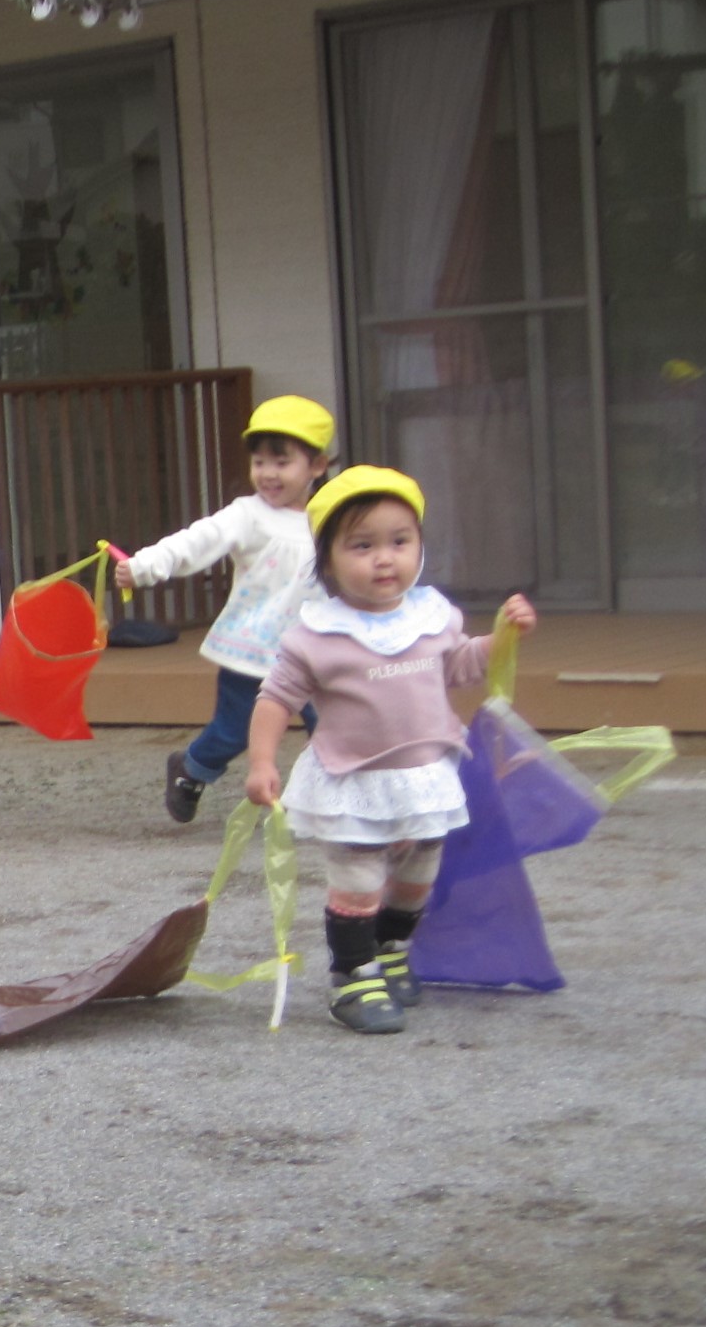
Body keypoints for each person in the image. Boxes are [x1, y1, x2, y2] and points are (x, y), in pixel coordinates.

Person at [243, 467, 538, 1034]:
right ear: (328, 561)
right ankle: (352, 975)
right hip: (352, 781)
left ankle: (392, 949)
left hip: (425, 776)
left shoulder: (432, 618)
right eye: (362, 546)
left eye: (399, 541)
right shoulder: (316, 636)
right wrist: (261, 762)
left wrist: (503, 637)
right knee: (358, 882)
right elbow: (276, 698)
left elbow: (460, 666)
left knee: (417, 876)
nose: (384, 558)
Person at [114, 395, 335, 825]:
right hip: (253, 648)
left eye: (282, 462)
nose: (268, 473)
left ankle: (336, 803)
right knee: (234, 730)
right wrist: (144, 566)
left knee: (333, 726)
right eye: (259, 462)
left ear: (318, 465)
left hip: (320, 649)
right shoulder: (247, 514)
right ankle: (191, 769)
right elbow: (197, 540)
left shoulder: (333, 517)